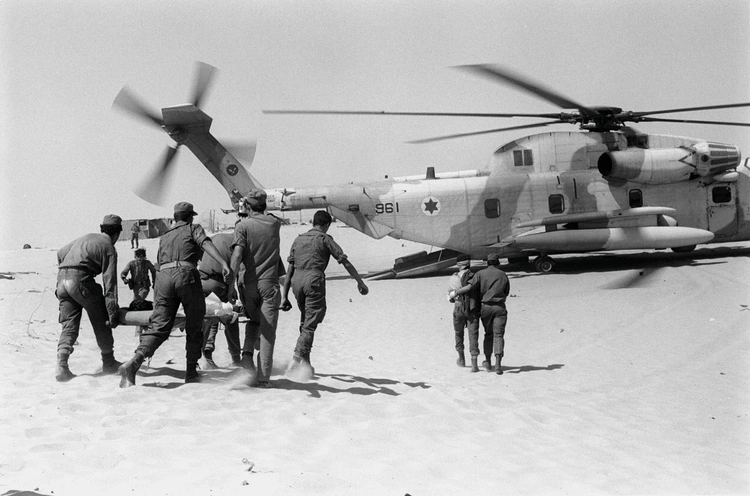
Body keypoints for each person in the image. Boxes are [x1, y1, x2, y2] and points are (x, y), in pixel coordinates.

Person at [118, 202, 231, 387]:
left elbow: (159, 261)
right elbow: (205, 243)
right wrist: (223, 263)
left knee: (160, 325)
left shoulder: (165, 236)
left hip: (163, 279)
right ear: (189, 217)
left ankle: (135, 361)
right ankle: (191, 372)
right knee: (195, 323)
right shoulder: (193, 228)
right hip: (185, 275)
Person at [280, 210, 369, 375]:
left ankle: (306, 365)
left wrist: (284, 296)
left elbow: (289, 270)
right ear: (327, 224)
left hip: (296, 283)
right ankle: (297, 358)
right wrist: (360, 282)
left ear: (313, 222)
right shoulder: (325, 239)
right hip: (314, 281)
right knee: (310, 324)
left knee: (306, 321)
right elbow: (345, 262)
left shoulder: (298, 239)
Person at [55, 214, 123, 382]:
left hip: (61, 280)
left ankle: (62, 366)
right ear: (117, 233)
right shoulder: (108, 246)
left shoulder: (85, 237)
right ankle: (108, 361)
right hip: (80, 280)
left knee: (69, 324)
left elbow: (60, 252)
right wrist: (112, 312)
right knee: (101, 318)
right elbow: (110, 283)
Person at [230, 190, 285, 387]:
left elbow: (237, 256)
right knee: (268, 334)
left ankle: (247, 356)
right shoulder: (274, 224)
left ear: (247, 207)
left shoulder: (242, 226)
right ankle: (263, 379)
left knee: (253, 321)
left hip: (248, 285)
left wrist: (230, 285)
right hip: (269, 285)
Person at [450, 253, 509, 375]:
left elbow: (470, 287)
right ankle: (497, 363)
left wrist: (455, 293)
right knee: (498, 335)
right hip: (499, 307)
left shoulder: (480, 274)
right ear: (497, 263)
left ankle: (481, 360)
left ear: (487, 262)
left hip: (484, 307)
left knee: (486, 334)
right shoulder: (503, 274)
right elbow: (506, 291)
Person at [198, 231, 241, 369]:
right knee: (231, 317)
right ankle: (236, 357)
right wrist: (231, 289)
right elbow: (233, 270)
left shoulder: (214, 238)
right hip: (218, 283)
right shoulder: (235, 243)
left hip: (202, 282)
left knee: (210, 317)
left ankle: (206, 352)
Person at [448, 254, 480, 372]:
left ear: (458, 265)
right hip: (472, 309)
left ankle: (461, 359)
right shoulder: (475, 276)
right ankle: (474, 363)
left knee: (458, 333)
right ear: (469, 264)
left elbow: (450, 298)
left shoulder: (453, 278)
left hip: (459, 307)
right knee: (473, 334)